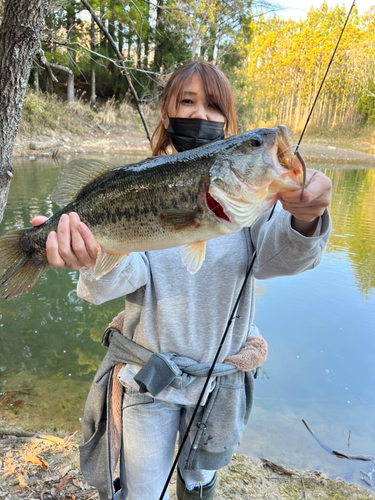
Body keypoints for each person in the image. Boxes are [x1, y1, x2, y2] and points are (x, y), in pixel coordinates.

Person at [32, 61, 332, 500]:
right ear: (166, 113)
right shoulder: (144, 181)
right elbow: (125, 276)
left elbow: (279, 259)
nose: (199, 114)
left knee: (199, 481)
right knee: (143, 487)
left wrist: (307, 219)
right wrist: (91, 256)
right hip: (147, 378)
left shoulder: (256, 207)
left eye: (213, 105)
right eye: (187, 101)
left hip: (218, 382)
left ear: (228, 122)